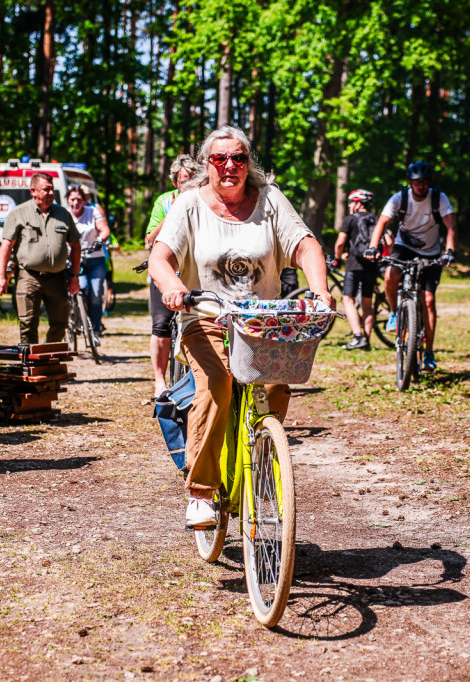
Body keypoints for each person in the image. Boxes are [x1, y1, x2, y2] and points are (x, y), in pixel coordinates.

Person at [149, 125, 334, 528]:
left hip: (261, 324)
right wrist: (174, 286)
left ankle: (264, 458)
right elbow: (160, 258)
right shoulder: (189, 204)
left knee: (276, 385)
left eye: (238, 158)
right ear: (207, 164)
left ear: (249, 163)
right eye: (219, 159)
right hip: (206, 318)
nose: (229, 166)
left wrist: (320, 291)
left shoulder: (270, 200)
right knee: (217, 383)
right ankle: (200, 492)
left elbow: (306, 246)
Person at [365, 161, 457, 372]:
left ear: (429, 183)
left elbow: (451, 225)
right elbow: (382, 223)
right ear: (410, 182)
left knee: (428, 300)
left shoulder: (438, 198)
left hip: (432, 251)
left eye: (424, 182)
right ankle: (394, 313)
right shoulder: (400, 198)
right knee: (390, 276)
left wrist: (449, 251)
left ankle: (430, 352)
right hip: (404, 246)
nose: (421, 186)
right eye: (417, 182)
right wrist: (373, 247)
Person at [0, 173, 81, 345]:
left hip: (57, 278)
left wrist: (74, 276)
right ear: (33, 191)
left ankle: (47, 356)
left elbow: (76, 245)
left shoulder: (63, 214)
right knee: (27, 324)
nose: (51, 193)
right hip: (29, 277)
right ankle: (30, 364)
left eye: (52, 189)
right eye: (46, 189)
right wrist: (0, 275)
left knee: (60, 323)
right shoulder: (18, 213)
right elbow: (6, 246)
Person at [144, 154, 200, 397]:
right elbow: (149, 239)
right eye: (183, 181)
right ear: (175, 182)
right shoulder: (164, 202)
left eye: (193, 180)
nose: (188, 185)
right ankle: (159, 381)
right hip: (166, 273)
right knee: (161, 326)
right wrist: (174, 212)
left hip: (194, 273)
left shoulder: (204, 201)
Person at [335, 189, 379, 350]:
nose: (349, 205)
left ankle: (357, 336)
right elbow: (388, 241)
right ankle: (366, 339)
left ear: (358, 203)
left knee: (348, 299)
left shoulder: (350, 219)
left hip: (354, 264)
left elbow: (340, 242)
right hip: (372, 265)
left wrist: (337, 258)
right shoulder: (376, 219)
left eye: (351, 202)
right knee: (368, 303)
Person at [68, 185, 109, 344]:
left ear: (84, 200)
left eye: (79, 199)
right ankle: (80, 322)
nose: (75, 203)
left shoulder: (93, 212)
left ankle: (95, 330)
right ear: (68, 200)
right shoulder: (64, 214)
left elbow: (104, 230)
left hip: (94, 258)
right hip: (75, 260)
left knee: (96, 294)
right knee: (82, 288)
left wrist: (100, 240)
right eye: (72, 199)